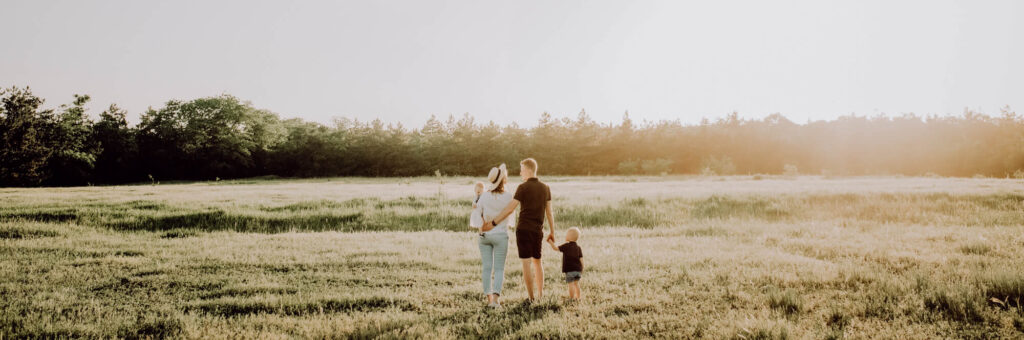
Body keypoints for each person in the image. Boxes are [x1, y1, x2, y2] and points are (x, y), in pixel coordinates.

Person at [483, 158, 555, 302]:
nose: (520, 172)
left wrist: (494, 222)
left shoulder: (522, 187)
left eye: (522, 169)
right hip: (537, 230)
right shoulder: (546, 187)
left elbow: (510, 208)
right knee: (538, 262)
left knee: (526, 263)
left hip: (523, 230)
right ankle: (541, 295)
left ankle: (531, 297)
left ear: (528, 170)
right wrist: (552, 231)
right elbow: (549, 212)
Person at [472, 164, 514, 308]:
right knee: (499, 269)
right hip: (501, 236)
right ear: (503, 180)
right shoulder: (509, 196)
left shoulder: (484, 196)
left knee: (486, 268)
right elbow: (511, 218)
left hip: (484, 236)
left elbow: (477, 215)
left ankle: (489, 299)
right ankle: (496, 300)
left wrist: (482, 228)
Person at [547, 227, 583, 301]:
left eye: (566, 234)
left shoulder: (566, 246)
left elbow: (555, 248)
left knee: (571, 284)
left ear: (569, 237)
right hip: (578, 270)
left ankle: (572, 298)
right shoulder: (578, 248)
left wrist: (550, 242)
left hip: (570, 270)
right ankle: (578, 297)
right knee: (576, 284)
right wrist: (582, 268)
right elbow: (581, 259)